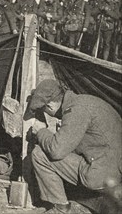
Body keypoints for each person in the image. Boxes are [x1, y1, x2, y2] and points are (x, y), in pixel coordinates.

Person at [28, 79, 122, 213]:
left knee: (40, 154)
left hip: (102, 174)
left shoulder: (76, 110)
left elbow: (57, 151)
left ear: (50, 106)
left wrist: (41, 131)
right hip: (112, 167)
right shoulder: (83, 101)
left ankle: (61, 208)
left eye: (43, 109)